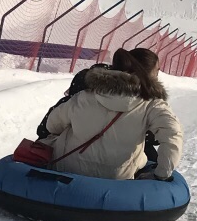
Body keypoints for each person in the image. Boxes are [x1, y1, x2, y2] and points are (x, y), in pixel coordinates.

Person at [37, 47, 183, 180]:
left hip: (68, 168)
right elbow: (173, 134)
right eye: (157, 70)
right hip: (117, 178)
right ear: (149, 73)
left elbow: (52, 125)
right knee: (146, 153)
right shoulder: (152, 104)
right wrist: (161, 174)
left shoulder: (85, 95)